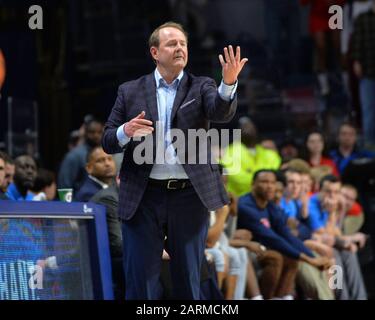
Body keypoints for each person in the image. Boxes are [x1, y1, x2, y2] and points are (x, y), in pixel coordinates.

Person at [102, 21, 248, 300]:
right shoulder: (129, 90)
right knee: (141, 283)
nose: (179, 47)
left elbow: (220, 112)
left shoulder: (202, 85)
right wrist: (126, 131)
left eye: (183, 44)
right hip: (143, 197)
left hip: (189, 196)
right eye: (172, 44)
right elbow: (107, 140)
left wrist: (228, 84)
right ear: (155, 52)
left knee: (189, 282)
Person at [237, 170, 332, 299]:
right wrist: (309, 260)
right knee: (276, 257)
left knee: (292, 259)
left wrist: (312, 258)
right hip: (246, 249)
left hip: (264, 246)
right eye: (264, 182)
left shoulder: (269, 205)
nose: (270, 186)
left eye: (272, 182)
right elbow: (272, 238)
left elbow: (285, 234)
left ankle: (282, 297)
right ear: (253, 184)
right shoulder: (245, 206)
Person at [221, 117, 281, 197]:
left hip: (267, 199)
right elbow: (236, 179)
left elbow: (275, 174)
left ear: (256, 130)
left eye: (250, 126)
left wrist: (252, 175)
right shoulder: (230, 151)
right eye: (243, 126)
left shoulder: (269, 154)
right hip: (239, 200)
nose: (247, 128)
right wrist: (261, 181)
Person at [351, 1, 375, 147]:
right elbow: (357, 42)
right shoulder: (362, 18)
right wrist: (356, 61)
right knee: (368, 110)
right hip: (368, 71)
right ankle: (370, 145)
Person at [58, 118, 104, 191]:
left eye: (99, 132)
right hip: (80, 200)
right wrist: (68, 202)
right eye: (92, 132)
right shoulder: (74, 155)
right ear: (85, 133)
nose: (96, 135)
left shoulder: (108, 153)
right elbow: (64, 186)